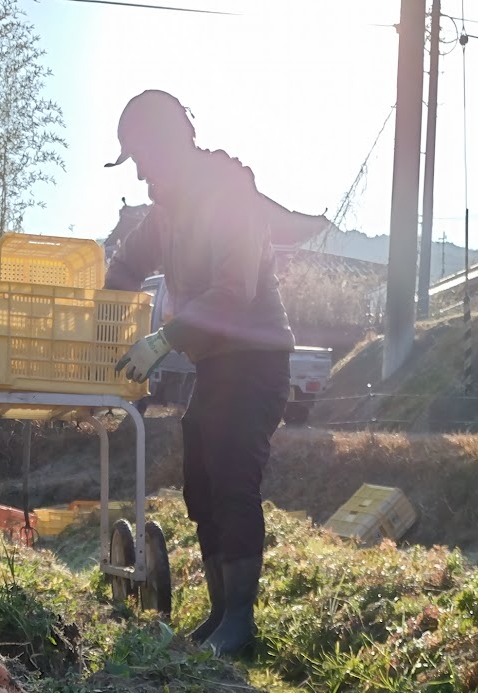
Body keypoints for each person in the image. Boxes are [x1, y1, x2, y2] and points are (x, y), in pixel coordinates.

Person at [104, 90, 324, 657]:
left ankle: (242, 624)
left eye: (143, 157)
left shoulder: (228, 193)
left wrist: (163, 338)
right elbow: (128, 264)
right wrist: (95, 305)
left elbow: (233, 292)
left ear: (168, 144)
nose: (142, 171)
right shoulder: (167, 211)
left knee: (231, 479)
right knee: (200, 482)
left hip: (256, 361)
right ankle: (222, 611)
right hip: (215, 366)